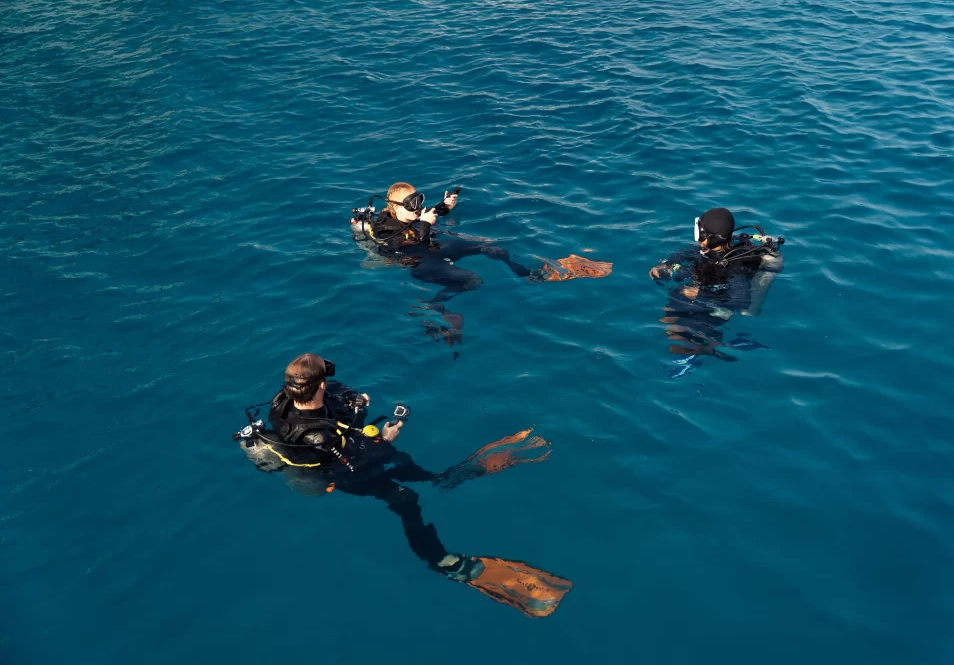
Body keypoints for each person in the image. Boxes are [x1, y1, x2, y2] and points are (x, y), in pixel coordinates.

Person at [234, 353, 572, 617]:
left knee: (421, 475)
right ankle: (441, 561)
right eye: (328, 374)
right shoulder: (317, 434)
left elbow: (338, 398)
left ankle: (449, 477)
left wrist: (356, 401)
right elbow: (349, 462)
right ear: (319, 384)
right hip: (350, 473)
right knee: (406, 500)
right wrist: (385, 437)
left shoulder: (284, 399)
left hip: (350, 452)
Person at [351, 183, 612, 345]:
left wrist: (444, 207)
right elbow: (407, 246)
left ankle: (527, 274)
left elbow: (426, 223)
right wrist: (424, 225)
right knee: (473, 280)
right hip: (419, 263)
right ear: (395, 208)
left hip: (435, 248)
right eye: (412, 204)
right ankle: (435, 302)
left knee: (494, 248)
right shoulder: (386, 228)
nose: (418, 208)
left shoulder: (414, 216)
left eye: (419, 200)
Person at [649, 207, 784, 374]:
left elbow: (741, 301)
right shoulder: (711, 248)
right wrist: (668, 264)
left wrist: (702, 293)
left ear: (713, 238)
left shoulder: (735, 268)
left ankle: (703, 353)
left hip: (715, 305)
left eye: (702, 234)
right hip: (698, 293)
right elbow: (689, 253)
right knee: (667, 321)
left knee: (679, 337)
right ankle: (703, 347)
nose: (698, 237)